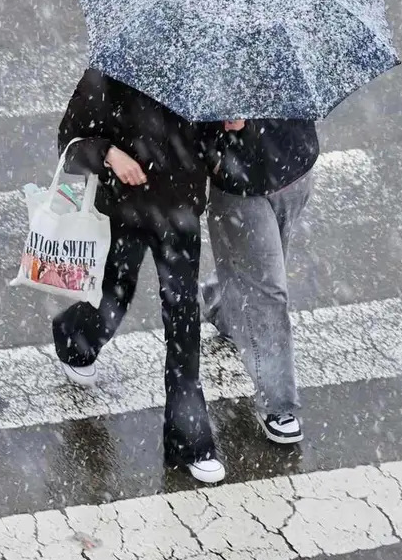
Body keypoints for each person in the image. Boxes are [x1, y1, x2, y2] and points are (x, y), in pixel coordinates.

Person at [51, 67, 224, 484]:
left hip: (180, 213)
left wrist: (227, 127)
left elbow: (217, 151)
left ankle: (190, 442)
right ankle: (76, 339)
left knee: (183, 320)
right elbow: (70, 143)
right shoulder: (112, 70)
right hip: (124, 209)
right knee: (115, 295)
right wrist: (110, 153)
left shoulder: (205, 71)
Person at [200, 117, 319, 445]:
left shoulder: (280, 66)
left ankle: (218, 304)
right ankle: (277, 404)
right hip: (241, 185)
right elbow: (179, 122)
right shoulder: (207, 72)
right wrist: (215, 136)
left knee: (254, 276)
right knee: (268, 293)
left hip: (295, 170)